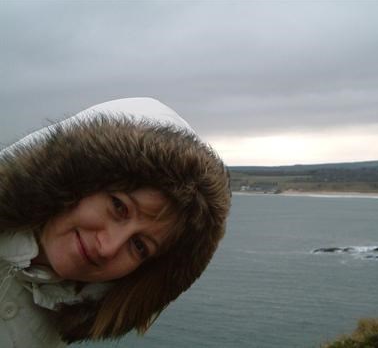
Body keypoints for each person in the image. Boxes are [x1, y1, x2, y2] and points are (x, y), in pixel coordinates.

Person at [0, 98, 231, 347]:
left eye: (140, 246)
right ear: (73, 176)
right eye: (119, 207)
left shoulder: (55, 318)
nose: (108, 247)